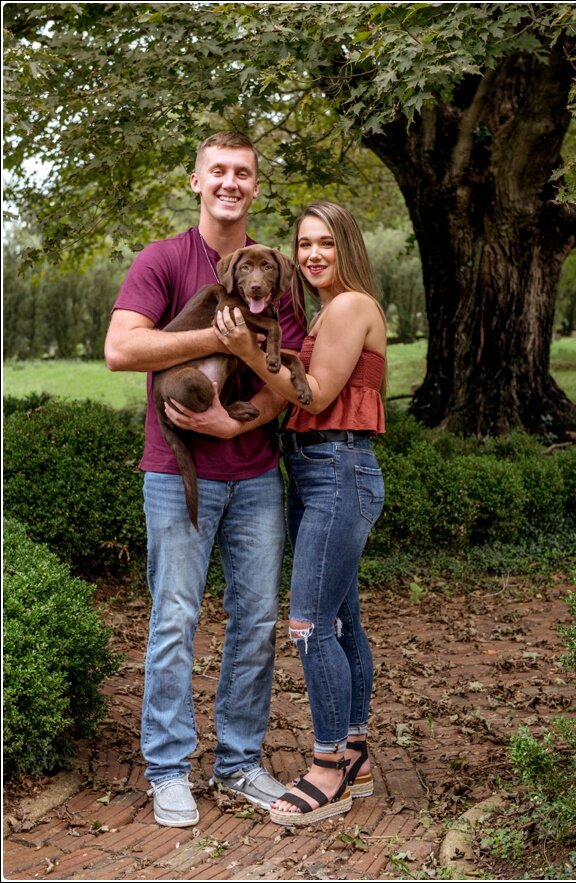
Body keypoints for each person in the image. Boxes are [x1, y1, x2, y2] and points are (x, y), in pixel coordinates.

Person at [104, 132, 306, 827]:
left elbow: (288, 379)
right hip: (173, 471)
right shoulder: (162, 260)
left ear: (255, 185)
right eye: (217, 170)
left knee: (254, 621)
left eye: (242, 172)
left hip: (254, 474)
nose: (229, 181)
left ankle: (240, 761)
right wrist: (217, 341)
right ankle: (167, 769)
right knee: (174, 619)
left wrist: (238, 420)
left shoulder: (272, 273)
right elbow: (122, 348)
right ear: (196, 181)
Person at [216, 200, 387, 825]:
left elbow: (313, 393)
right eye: (305, 244)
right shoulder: (329, 310)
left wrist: (248, 351)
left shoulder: (348, 306)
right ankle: (358, 755)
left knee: (309, 626)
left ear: (348, 246)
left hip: (337, 471)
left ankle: (328, 765)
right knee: (341, 624)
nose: (314, 254)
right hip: (320, 469)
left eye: (326, 243)